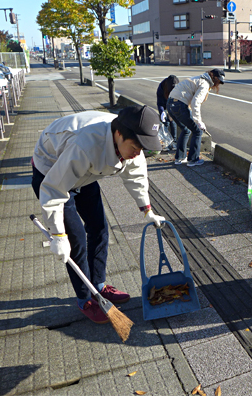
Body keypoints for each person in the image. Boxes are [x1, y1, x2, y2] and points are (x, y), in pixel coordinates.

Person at [31, 106, 166, 324]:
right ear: (119, 134)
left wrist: (147, 210)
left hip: (86, 175)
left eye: (142, 149)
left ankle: (99, 286)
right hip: (51, 171)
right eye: (134, 147)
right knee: (76, 241)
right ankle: (85, 299)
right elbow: (54, 189)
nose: (137, 153)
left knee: (100, 228)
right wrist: (57, 235)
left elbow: (136, 175)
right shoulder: (85, 144)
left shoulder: (132, 141)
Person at [167, 68, 225, 167]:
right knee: (197, 131)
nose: (218, 83)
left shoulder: (198, 79)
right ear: (214, 77)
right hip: (179, 105)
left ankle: (179, 158)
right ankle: (193, 160)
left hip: (170, 104)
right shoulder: (204, 84)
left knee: (185, 130)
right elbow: (196, 102)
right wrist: (199, 121)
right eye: (218, 81)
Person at [156, 75, 179, 151]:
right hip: (164, 103)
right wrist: (162, 112)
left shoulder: (179, 88)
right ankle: (165, 142)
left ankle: (174, 142)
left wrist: (173, 111)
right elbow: (159, 103)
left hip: (173, 104)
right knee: (165, 122)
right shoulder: (162, 87)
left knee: (173, 121)